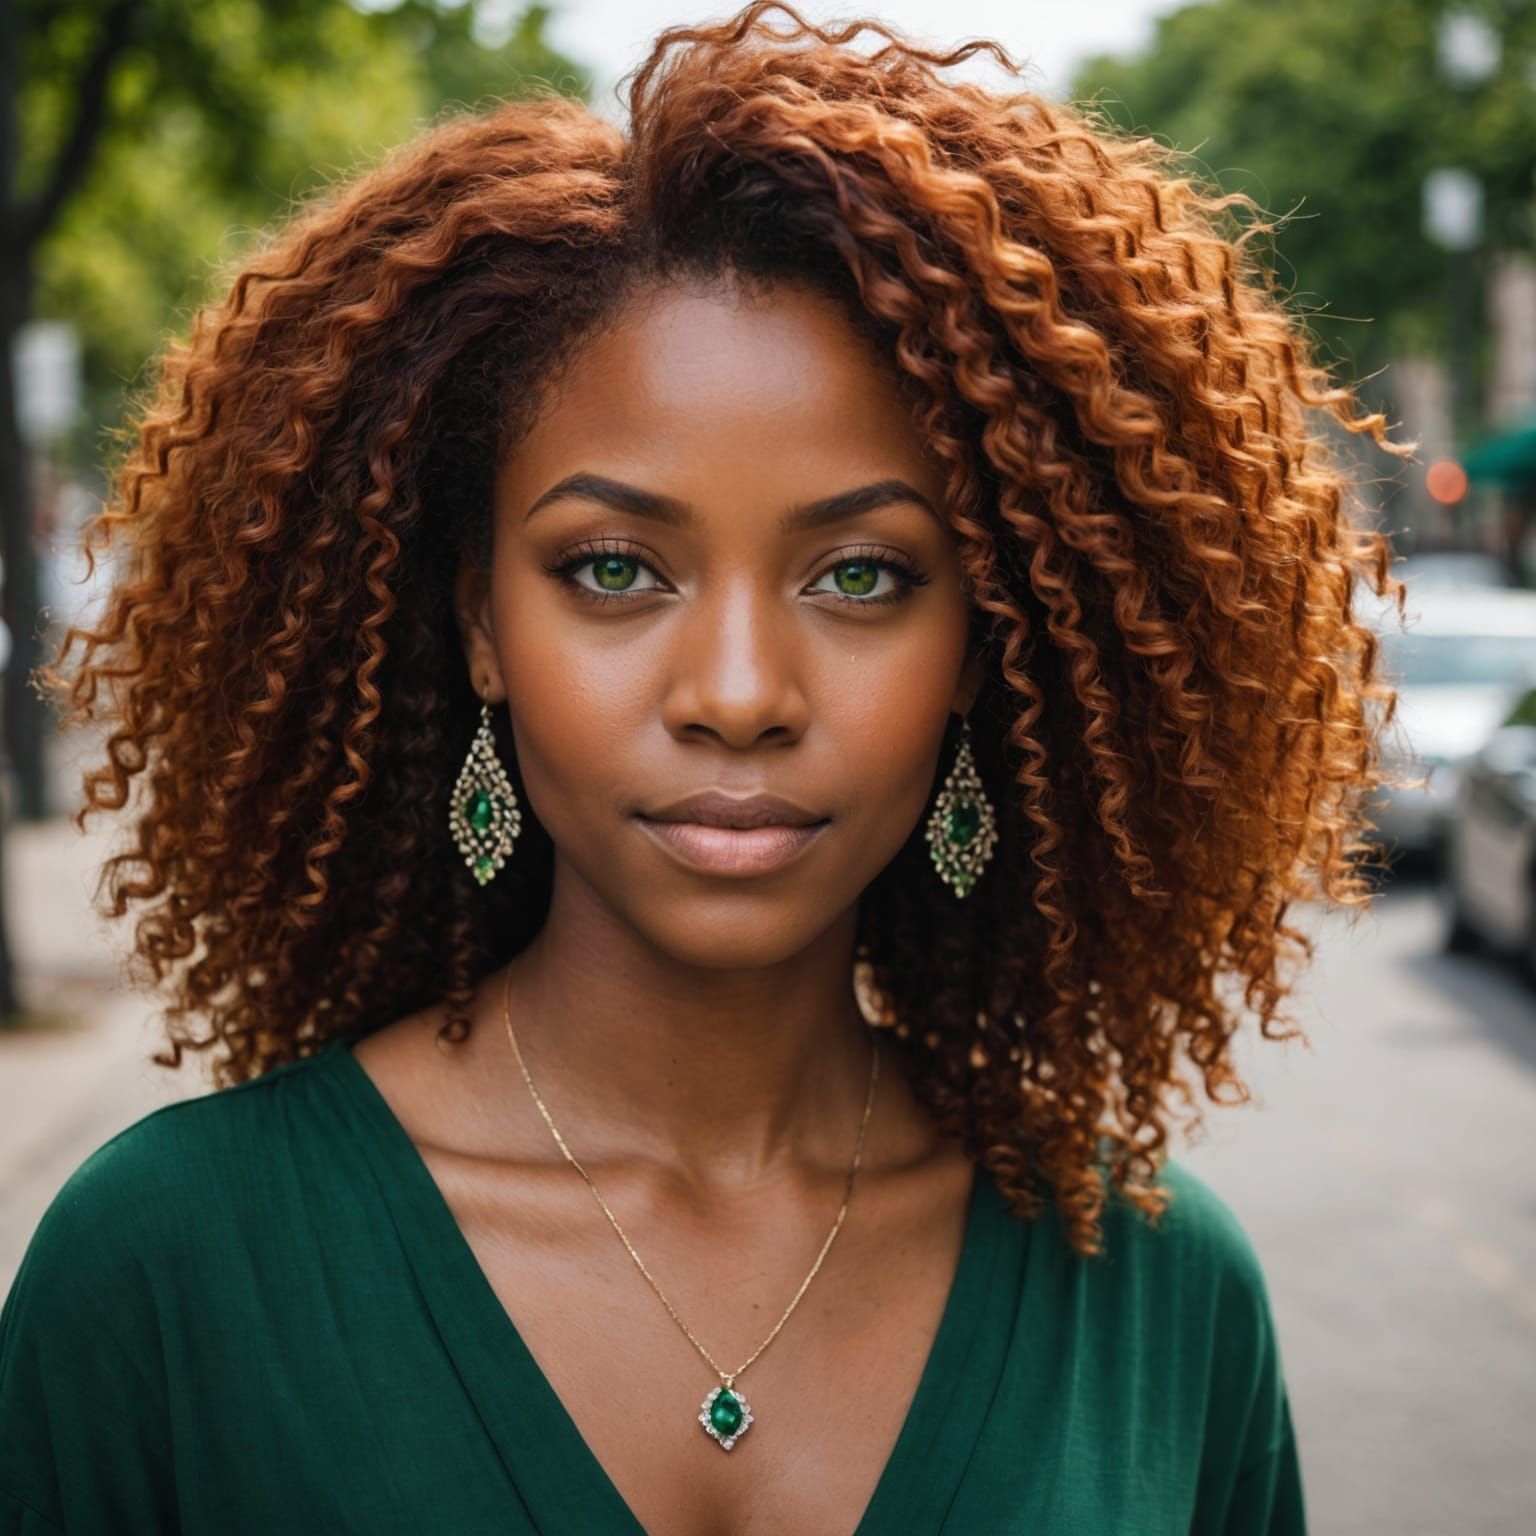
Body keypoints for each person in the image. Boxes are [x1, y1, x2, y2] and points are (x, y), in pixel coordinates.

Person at [0, 4, 1405, 1531]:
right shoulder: (163, 1272)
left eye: (861, 577)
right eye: (614, 569)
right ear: (478, 624)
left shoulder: (1158, 1294)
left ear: (989, 649)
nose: (739, 696)